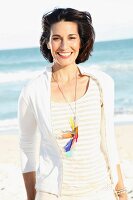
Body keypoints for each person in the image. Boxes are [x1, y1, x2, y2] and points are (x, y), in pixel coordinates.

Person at [18, 8, 128, 200]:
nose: (64, 46)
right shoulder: (33, 91)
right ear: (47, 42)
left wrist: (121, 192)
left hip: (100, 191)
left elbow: (109, 142)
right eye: (56, 38)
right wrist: (31, 197)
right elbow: (27, 147)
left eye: (71, 37)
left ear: (81, 41)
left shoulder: (102, 84)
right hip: (54, 194)